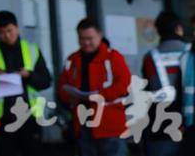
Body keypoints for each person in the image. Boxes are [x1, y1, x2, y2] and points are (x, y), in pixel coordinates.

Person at [59, 18, 131, 156]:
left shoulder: (113, 57)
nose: (86, 42)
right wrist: (69, 97)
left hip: (109, 125)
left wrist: (99, 96)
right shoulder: (72, 59)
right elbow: (62, 86)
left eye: (90, 38)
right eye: (82, 38)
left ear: (99, 35)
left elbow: (124, 85)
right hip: (83, 125)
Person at [0, 10, 53, 156]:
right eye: (1, 32)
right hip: (4, 119)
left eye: (9, 31)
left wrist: (28, 75)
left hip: (30, 117)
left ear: (17, 28)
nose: (6, 36)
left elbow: (46, 82)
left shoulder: (32, 50)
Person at [141, 11, 192, 155]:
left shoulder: (150, 58)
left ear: (158, 31)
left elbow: (146, 92)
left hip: (161, 125)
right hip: (189, 123)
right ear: (178, 28)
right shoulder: (190, 52)